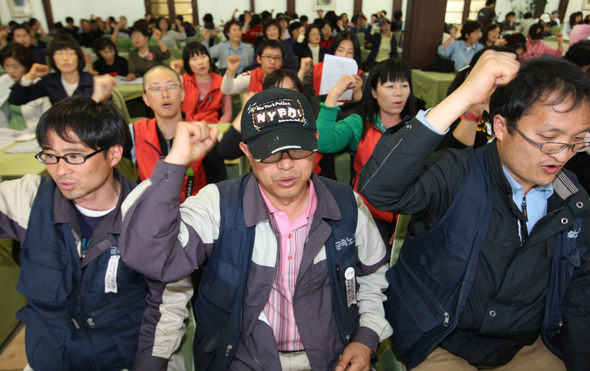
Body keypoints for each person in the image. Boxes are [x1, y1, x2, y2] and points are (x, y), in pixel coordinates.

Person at [119, 87, 392, 371]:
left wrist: (365, 337)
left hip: (331, 359)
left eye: (298, 149)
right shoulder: (218, 205)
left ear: (316, 141)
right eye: (270, 154)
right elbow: (149, 255)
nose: (286, 165)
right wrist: (174, 164)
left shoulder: (346, 205)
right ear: (246, 152)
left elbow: (373, 277)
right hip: (244, 360)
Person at [358, 50, 590, 370]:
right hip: (439, 337)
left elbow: (580, 293)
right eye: (548, 138)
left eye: (576, 141)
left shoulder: (572, 196)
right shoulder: (456, 172)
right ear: (501, 126)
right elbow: (378, 188)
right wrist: (465, 95)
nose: (562, 155)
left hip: (525, 344)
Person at [0, 96, 187, 371]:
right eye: (50, 155)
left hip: (123, 359)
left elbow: (169, 304)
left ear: (113, 154)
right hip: (50, 357)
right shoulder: (29, 200)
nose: (60, 170)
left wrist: (148, 364)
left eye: (74, 156)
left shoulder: (148, 217)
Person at [316, 59, 415, 245]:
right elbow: (322, 143)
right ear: (374, 92)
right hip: (366, 214)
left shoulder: (416, 127)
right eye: (390, 85)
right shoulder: (359, 123)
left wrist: (405, 226)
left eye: (404, 85)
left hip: (406, 217)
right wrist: (334, 94)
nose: (398, 93)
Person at [132, 65, 225, 201]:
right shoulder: (135, 132)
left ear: (182, 94)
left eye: (171, 87)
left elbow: (219, 186)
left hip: (195, 215)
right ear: (145, 99)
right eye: (156, 89)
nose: (165, 95)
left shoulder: (202, 134)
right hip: (151, 215)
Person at [8, 34, 115, 105]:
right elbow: (17, 100)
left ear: (79, 58)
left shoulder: (93, 81)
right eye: (59, 54)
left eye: (70, 53)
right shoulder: (50, 82)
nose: (65, 58)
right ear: (52, 59)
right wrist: (28, 77)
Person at [171, 42, 232, 124]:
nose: (200, 62)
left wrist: (218, 129)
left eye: (203, 57)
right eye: (194, 59)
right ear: (187, 63)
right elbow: (170, 105)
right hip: (187, 126)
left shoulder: (221, 81)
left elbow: (228, 113)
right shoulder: (182, 80)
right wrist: (174, 73)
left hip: (212, 126)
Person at [221, 39, 299, 95]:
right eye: (268, 57)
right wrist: (230, 71)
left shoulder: (287, 79)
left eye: (277, 58)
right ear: (259, 59)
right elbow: (226, 90)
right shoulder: (251, 77)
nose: (272, 62)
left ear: (282, 61)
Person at [0, 43, 50, 129]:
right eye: (7, 66)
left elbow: (47, 118)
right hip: (7, 130)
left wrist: (26, 80)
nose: (11, 71)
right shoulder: (3, 80)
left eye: (16, 67)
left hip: (33, 131)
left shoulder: (39, 84)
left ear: (26, 65)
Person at [306, 30, 364, 96]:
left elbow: (363, 104)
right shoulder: (316, 70)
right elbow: (305, 96)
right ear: (334, 50)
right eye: (340, 50)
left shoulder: (359, 76)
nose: (344, 56)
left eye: (350, 52)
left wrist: (357, 91)